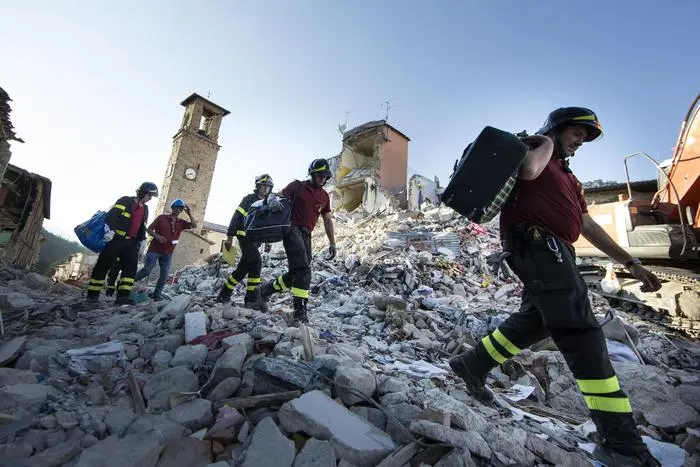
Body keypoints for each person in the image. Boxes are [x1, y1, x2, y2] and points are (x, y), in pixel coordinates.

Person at [448, 107, 662, 467]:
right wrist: (547, 140)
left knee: (538, 320)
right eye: (577, 133)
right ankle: (621, 440)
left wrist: (631, 262)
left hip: (553, 249)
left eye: (585, 137)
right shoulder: (539, 147)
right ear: (559, 128)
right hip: (536, 244)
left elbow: (587, 226)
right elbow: (529, 170)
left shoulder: (569, 178)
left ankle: (472, 365)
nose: (580, 141)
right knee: (581, 330)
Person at [258, 159, 337, 323]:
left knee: (296, 274)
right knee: (304, 270)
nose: (322, 178)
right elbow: (276, 194)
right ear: (312, 174)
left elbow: (328, 220)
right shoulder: (298, 186)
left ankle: (265, 290)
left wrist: (332, 242)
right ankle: (299, 312)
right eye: (319, 175)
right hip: (291, 229)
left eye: (325, 176)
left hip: (307, 235)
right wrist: (272, 199)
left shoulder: (324, 196)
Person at [85, 182, 158, 305]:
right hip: (116, 239)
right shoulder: (125, 201)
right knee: (103, 265)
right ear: (142, 192)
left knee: (130, 270)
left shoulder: (145, 208)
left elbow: (142, 225)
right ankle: (92, 295)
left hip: (132, 243)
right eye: (149, 195)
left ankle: (123, 297)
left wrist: (142, 239)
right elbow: (112, 216)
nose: (150, 198)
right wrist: (110, 230)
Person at [215, 174, 273, 309]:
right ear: (258, 186)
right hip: (244, 236)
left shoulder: (268, 202)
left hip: (256, 240)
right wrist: (229, 236)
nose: (265, 189)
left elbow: (266, 224)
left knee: (242, 270)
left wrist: (268, 241)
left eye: (268, 186)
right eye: (263, 186)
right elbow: (237, 217)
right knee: (256, 263)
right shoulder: (248, 199)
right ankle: (251, 300)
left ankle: (224, 294)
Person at [134, 198, 196, 301]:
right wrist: (157, 236)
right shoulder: (161, 218)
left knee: (164, 275)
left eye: (180, 209)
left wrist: (189, 213)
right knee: (147, 270)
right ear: (172, 208)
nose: (178, 210)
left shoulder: (181, 222)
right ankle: (128, 282)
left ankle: (156, 295)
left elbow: (194, 225)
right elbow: (149, 229)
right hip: (155, 249)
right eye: (176, 208)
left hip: (168, 252)